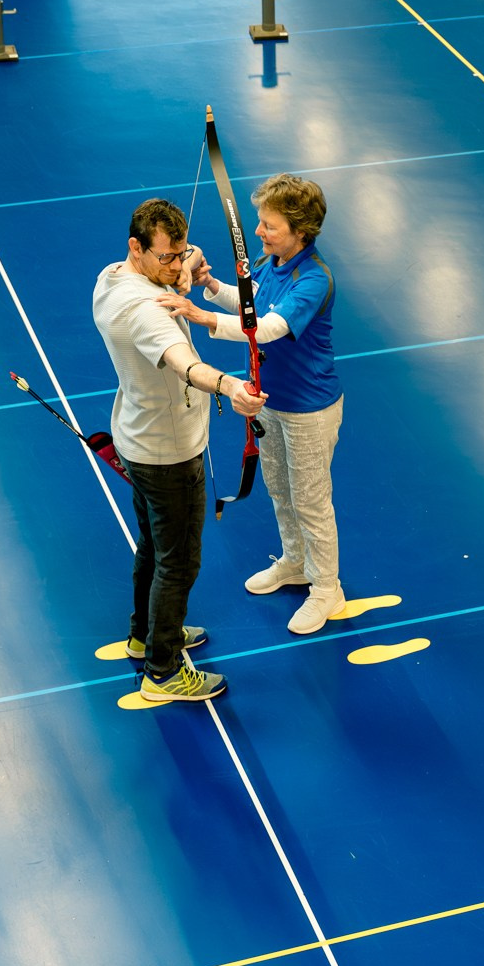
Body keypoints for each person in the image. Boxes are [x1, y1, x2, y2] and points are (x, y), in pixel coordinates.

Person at [93, 198, 264, 701]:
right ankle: (163, 670)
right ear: (136, 248)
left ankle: (143, 635)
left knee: (152, 546)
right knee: (180, 561)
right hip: (167, 452)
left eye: (178, 253)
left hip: (136, 436)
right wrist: (230, 386)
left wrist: (184, 269)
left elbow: (188, 261)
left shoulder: (113, 276)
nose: (175, 263)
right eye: (165, 257)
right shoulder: (144, 312)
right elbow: (182, 361)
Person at [164, 174, 346, 636]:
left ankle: (327, 589)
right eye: (260, 223)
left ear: (300, 231)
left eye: (270, 225)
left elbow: (265, 327)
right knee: (280, 490)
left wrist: (204, 318)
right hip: (267, 400)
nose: (260, 232)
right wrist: (210, 285)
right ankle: (294, 562)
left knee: (310, 500)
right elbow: (249, 303)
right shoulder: (273, 261)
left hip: (308, 408)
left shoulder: (314, 279)